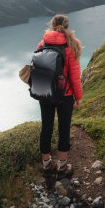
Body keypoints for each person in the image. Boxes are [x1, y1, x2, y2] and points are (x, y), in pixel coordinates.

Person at [36, 14, 83, 176]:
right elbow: (75, 76)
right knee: (64, 128)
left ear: (52, 25)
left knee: (46, 127)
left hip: (45, 93)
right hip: (65, 95)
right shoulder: (72, 45)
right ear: (67, 26)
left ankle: (46, 164)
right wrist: (78, 97)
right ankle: (62, 166)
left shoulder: (43, 42)